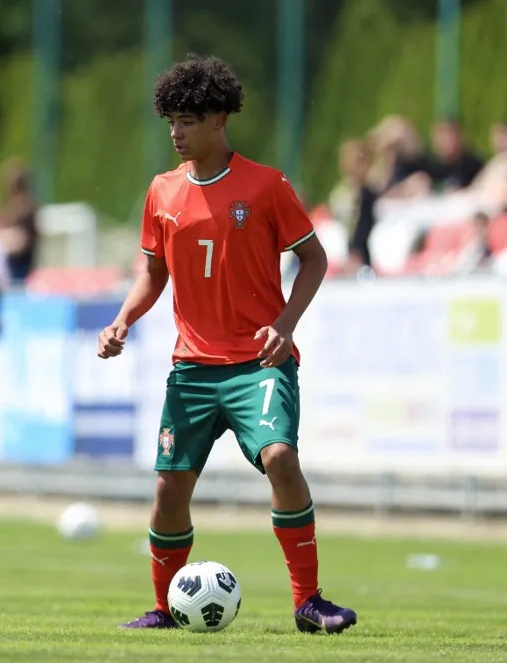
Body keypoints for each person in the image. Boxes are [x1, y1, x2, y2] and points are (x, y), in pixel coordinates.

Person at [96, 54, 357, 635]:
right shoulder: (161, 192)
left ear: (220, 120)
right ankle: (165, 607)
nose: (175, 133)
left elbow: (314, 258)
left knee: (281, 459)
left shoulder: (266, 186)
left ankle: (309, 602)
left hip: (258, 365)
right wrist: (123, 320)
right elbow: (152, 272)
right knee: (168, 488)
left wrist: (286, 324)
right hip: (191, 369)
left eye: (187, 120)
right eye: (170, 121)